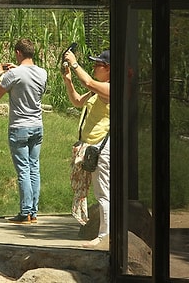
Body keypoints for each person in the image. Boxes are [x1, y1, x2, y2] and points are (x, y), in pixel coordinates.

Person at [0, 39, 47, 224]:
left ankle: (24, 213)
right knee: (34, 168)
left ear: (17, 53)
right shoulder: (42, 72)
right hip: (37, 126)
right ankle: (34, 212)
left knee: (23, 170)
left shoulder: (13, 74)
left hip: (19, 127)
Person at [62, 48, 110, 248]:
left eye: (97, 64)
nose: (94, 67)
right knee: (99, 192)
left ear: (108, 68)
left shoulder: (110, 87)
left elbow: (89, 81)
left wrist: (74, 63)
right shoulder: (96, 88)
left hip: (102, 146)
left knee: (103, 193)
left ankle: (105, 236)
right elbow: (77, 101)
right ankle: (104, 234)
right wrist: (68, 80)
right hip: (91, 146)